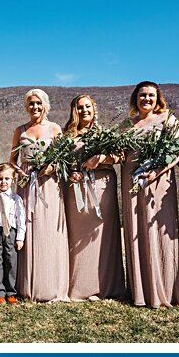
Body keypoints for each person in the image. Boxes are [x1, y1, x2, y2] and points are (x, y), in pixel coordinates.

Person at [122, 81, 179, 307]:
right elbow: (119, 153)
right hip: (132, 182)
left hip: (159, 182)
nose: (146, 99)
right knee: (137, 229)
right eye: (142, 95)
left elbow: (177, 151)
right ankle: (140, 291)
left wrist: (156, 171)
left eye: (150, 95)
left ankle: (166, 290)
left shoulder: (167, 119)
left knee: (158, 231)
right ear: (135, 98)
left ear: (158, 99)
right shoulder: (127, 123)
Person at [62, 94, 127, 301]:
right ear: (74, 111)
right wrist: (70, 172)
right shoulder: (66, 135)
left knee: (102, 235)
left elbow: (120, 156)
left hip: (102, 187)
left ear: (94, 107)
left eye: (87, 106)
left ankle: (105, 286)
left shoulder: (104, 133)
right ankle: (80, 287)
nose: (84, 111)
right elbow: (61, 163)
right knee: (77, 237)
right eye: (79, 108)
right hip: (76, 189)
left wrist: (101, 158)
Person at [11, 88, 68, 302]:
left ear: (45, 105)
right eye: (31, 103)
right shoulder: (20, 131)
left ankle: (51, 284)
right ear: (26, 107)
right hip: (27, 184)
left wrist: (53, 167)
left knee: (47, 229)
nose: (35, 107)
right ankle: (27, 285)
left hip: (50, 186)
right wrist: (19, 172)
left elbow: (65, 159)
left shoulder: (54, 129)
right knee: (27, 227)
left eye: (38, 103)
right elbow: (12, 161)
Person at [0, 163, 25, 305]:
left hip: (11, 233)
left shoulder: (16, 199)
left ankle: (11, 292)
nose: (3, 182)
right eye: (0, 179)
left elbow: (21, 220)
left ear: (13, 180)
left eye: (7, 178)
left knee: (11, 262)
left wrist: (20, 238)